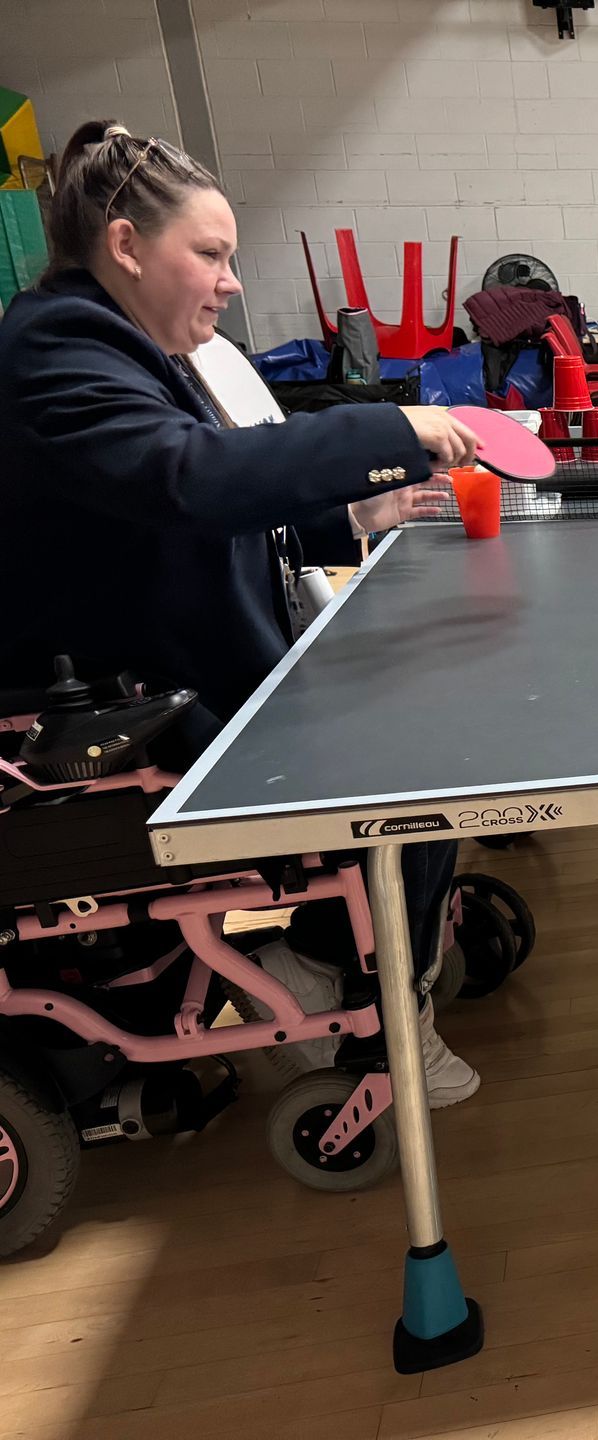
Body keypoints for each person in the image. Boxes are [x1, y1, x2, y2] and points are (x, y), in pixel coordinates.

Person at [0, 121, 485, 1104]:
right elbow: (192, 482)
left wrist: (346, 511)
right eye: (211, 255)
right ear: (128, 245)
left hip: (184, 669)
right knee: (421, 776)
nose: (229, 281)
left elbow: (204, 513)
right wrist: (389, 428)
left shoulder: (123, 346)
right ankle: (367, 1004)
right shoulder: (54, 352)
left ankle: (327, 963)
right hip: (124, 711)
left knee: (434, 735)